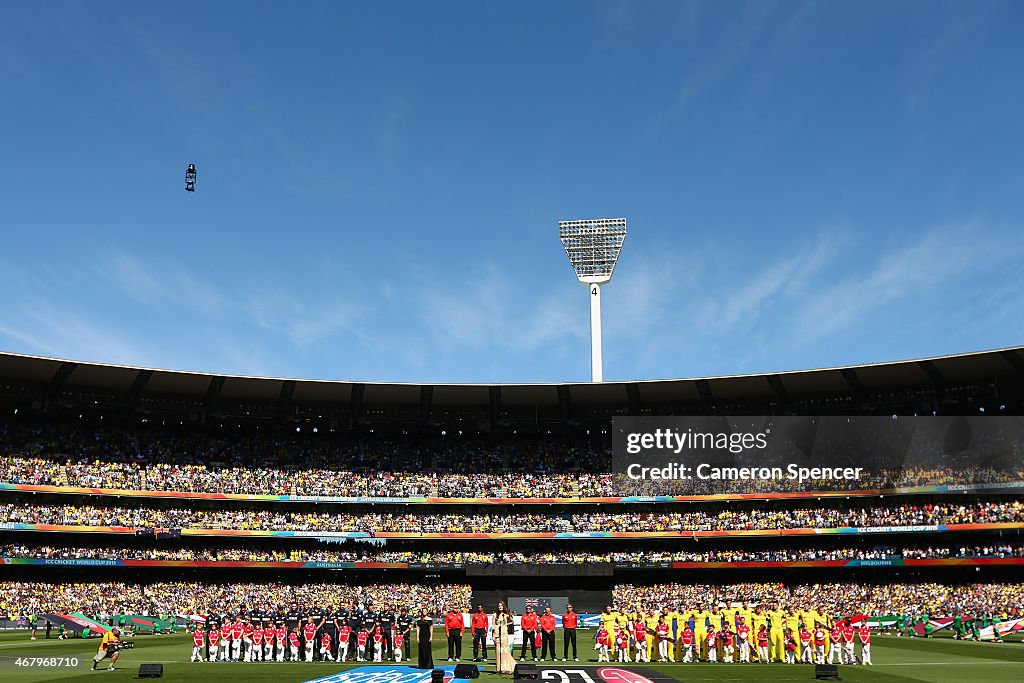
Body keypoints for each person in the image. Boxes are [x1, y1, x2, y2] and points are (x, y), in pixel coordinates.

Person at [492, 602, 514, 675]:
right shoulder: (495, 615)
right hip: (497, 634)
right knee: (498, 652)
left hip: (504, 634)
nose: (500, 607)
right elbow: (493, 626)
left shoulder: (506, 615)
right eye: (499, 606)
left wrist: (505, 625)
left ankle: (505, 667)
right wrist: (493, 635)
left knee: (504, 651)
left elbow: (512, 621)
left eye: (501, 606)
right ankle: (498, 668)